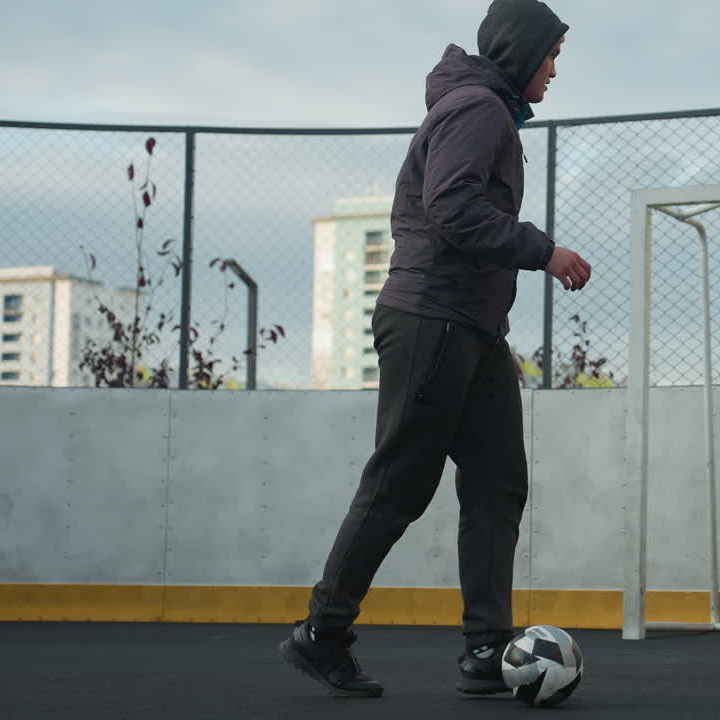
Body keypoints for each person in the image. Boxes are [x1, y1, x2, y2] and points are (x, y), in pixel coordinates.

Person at [279, 0, 590, 699]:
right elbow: (451, 208)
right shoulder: (478, 109)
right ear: (521, 52)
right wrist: (543, 250)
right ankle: (322, 632)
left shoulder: (488, 110)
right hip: (431, 317)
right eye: (550, 55)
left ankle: (487, 646)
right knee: (400, 483)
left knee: (497, 481)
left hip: (474, 327)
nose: (554, 69)